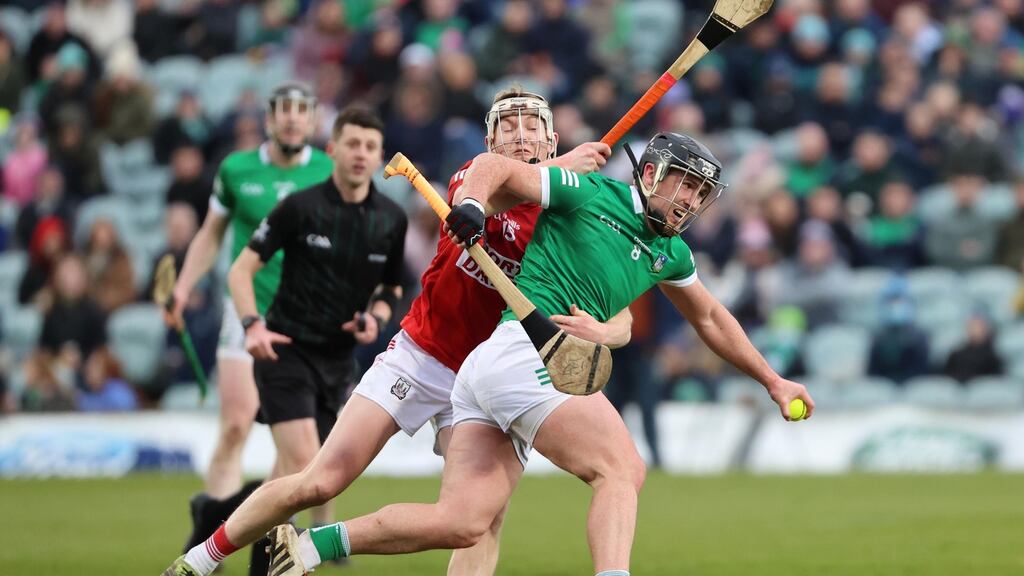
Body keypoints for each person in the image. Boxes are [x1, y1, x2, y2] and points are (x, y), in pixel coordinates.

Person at [264, 130, 814, 576]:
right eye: (684, 185)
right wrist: (474, 204)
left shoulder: (670, 253)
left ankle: (312, 547)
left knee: (462, 522)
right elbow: (496, 166)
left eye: (701, 194)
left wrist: (772, 381)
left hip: (489, 370)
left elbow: (712, 318)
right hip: (525, 351)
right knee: (621, 468)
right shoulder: (591, 192)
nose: (691, 201)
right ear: (649, 173)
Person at [160, 87, 622, 576]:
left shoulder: (572, 217)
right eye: (509, 127)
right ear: (491, 139)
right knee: (319, 481)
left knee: (479, 520)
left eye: (533, 128)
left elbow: (621, 310)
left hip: (491, 380)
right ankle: (199, 560)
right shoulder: (477, 177)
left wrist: (606, 331)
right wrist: (565, 165)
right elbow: (498, 191)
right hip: (422, 355)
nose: (521, 136)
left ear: (550, 140)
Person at [164, 82, 333, 568]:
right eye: (284, 110)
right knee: (237, 424)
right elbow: (209, 236)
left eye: (302, 111)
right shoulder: (236, 169)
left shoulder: (327, 169)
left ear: (313, 119)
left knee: (297, 450)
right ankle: (209, 543)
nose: (292, 119)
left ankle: (247, 530)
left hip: (306, 321)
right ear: (269, 118)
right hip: (246, 313)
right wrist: (181, 287)